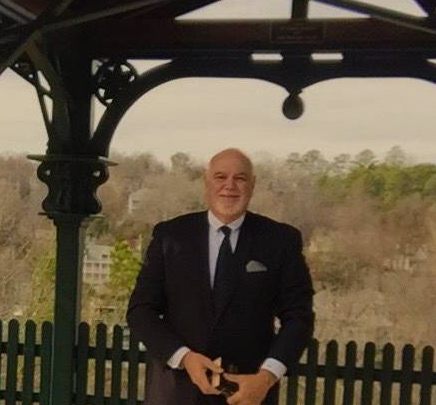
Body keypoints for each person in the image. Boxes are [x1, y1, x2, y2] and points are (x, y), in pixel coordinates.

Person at [127, 148, 314, 405]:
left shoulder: (280, 241)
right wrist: (183, 357)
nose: (230, 186)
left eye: (240, 178)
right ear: (206, 183)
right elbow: (140, 311)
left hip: (249, 394)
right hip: (177, 393)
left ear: (253, 185)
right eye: (220, 177)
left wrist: (267, 377)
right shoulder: (170, 236)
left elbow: (299, 318)